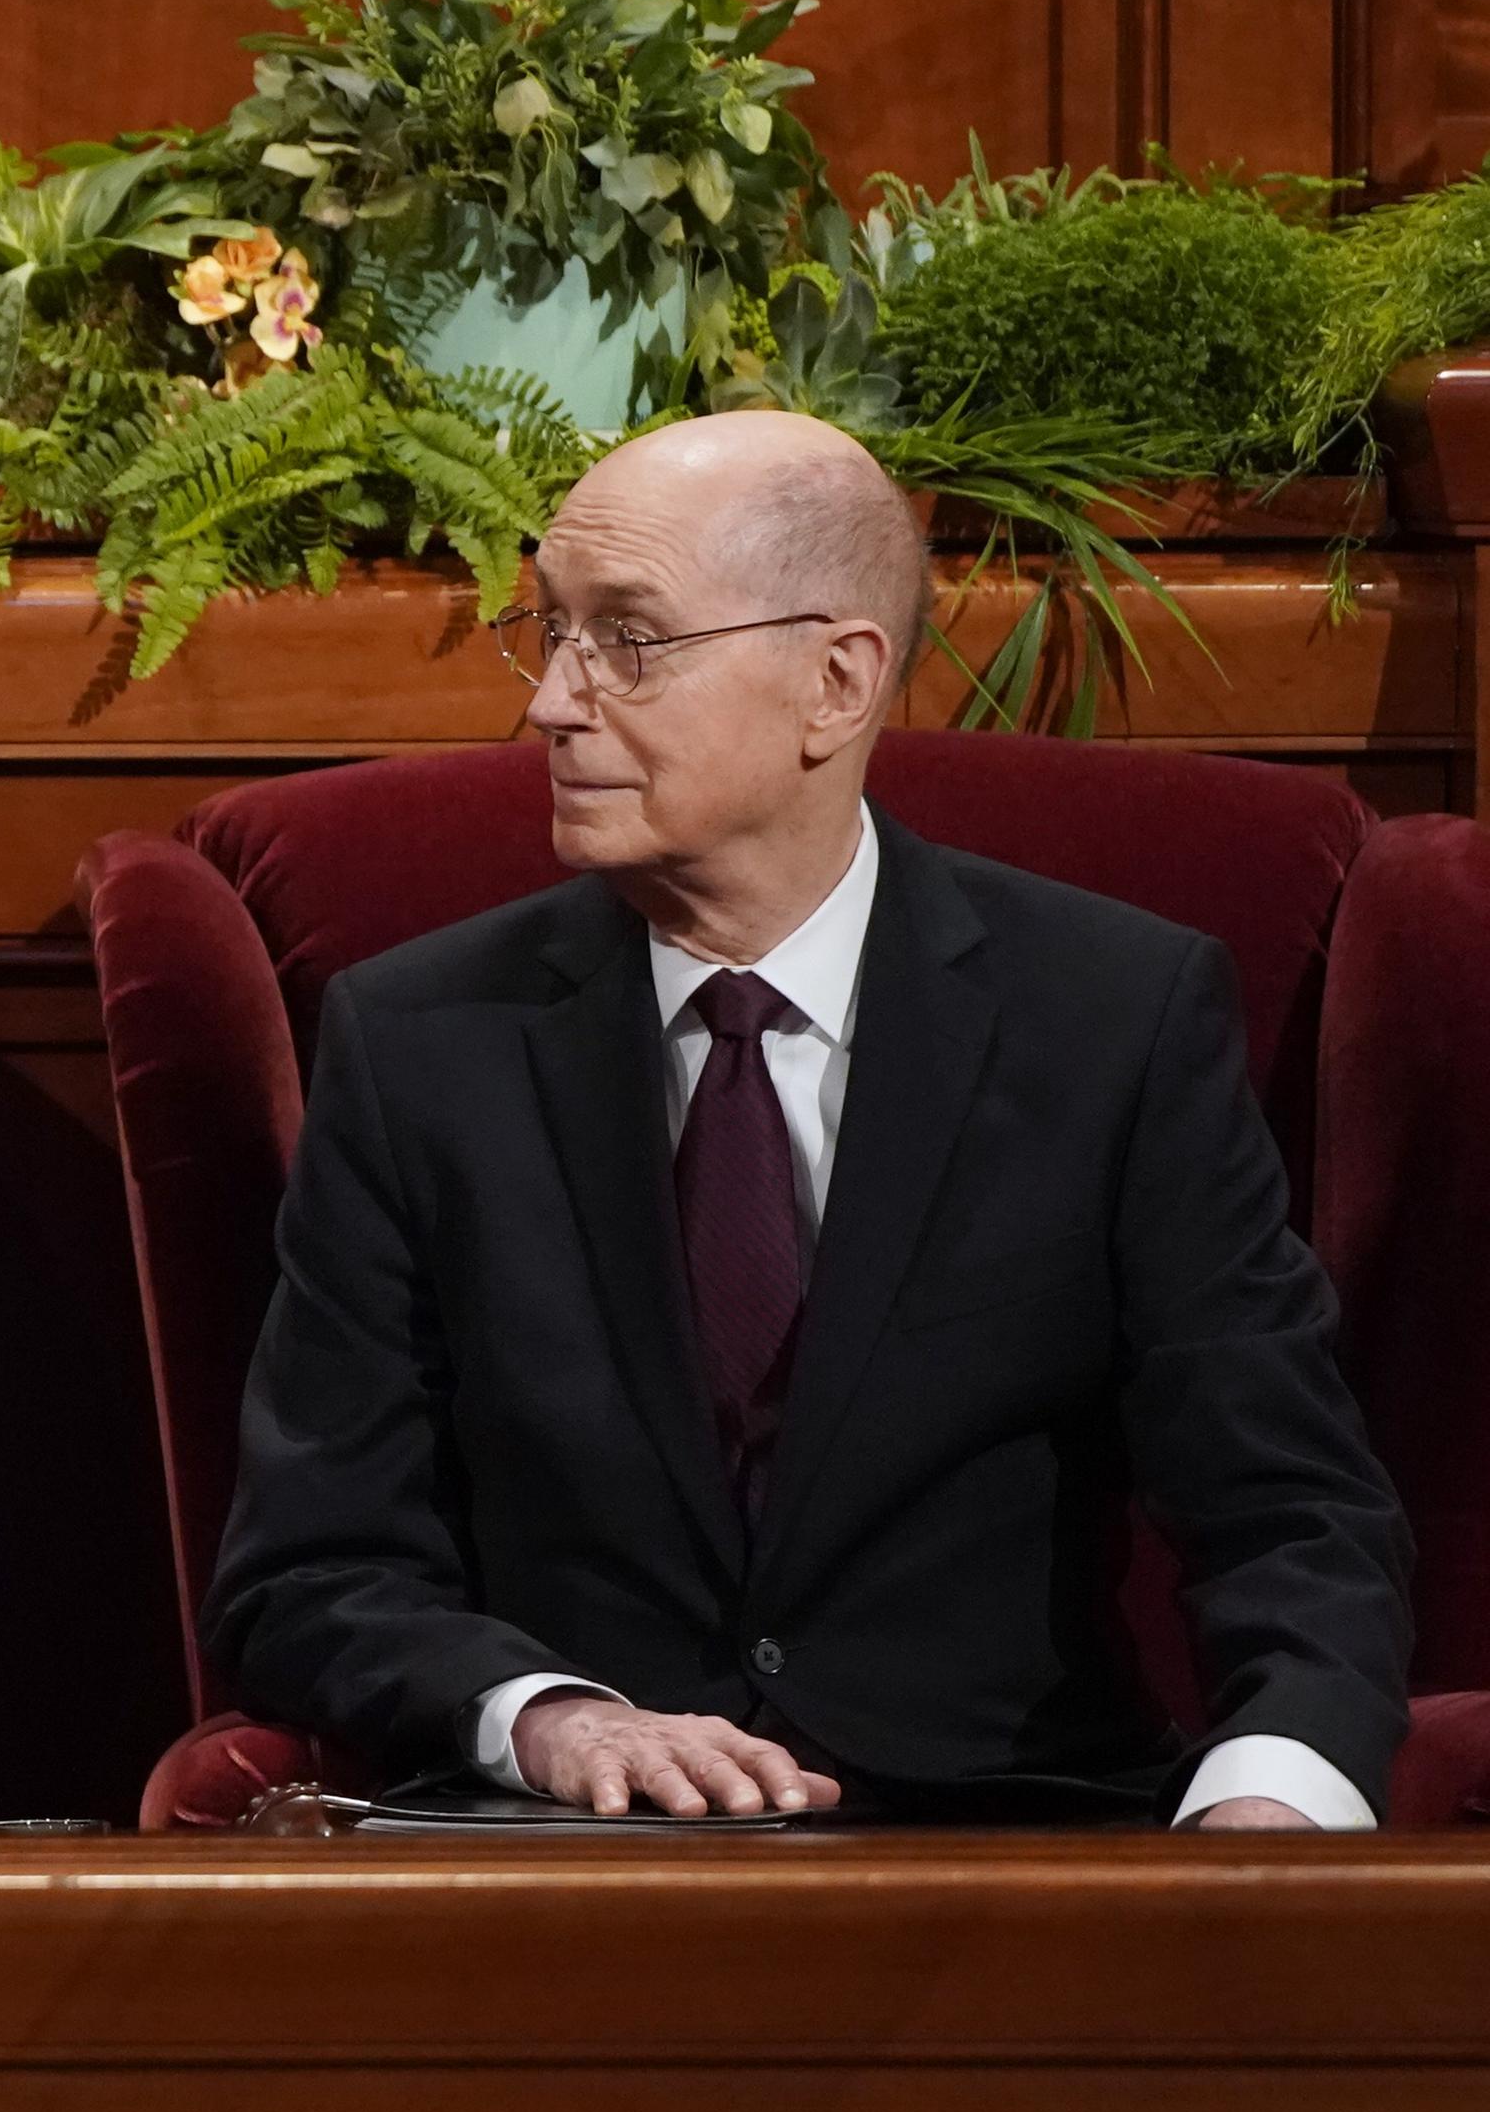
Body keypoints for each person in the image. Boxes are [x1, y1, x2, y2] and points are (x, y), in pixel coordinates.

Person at [208, 412, 1411, 1826]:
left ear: (837, 684)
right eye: (552, 633)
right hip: (565, 1866)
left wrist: (1269, 1803)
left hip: (1008, 1845)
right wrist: (543, 1718)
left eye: (630, 641)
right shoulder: (417, 1045)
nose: (553, 700)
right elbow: (304, 1571)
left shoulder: (1113, 1020)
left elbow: (1295, 1515)